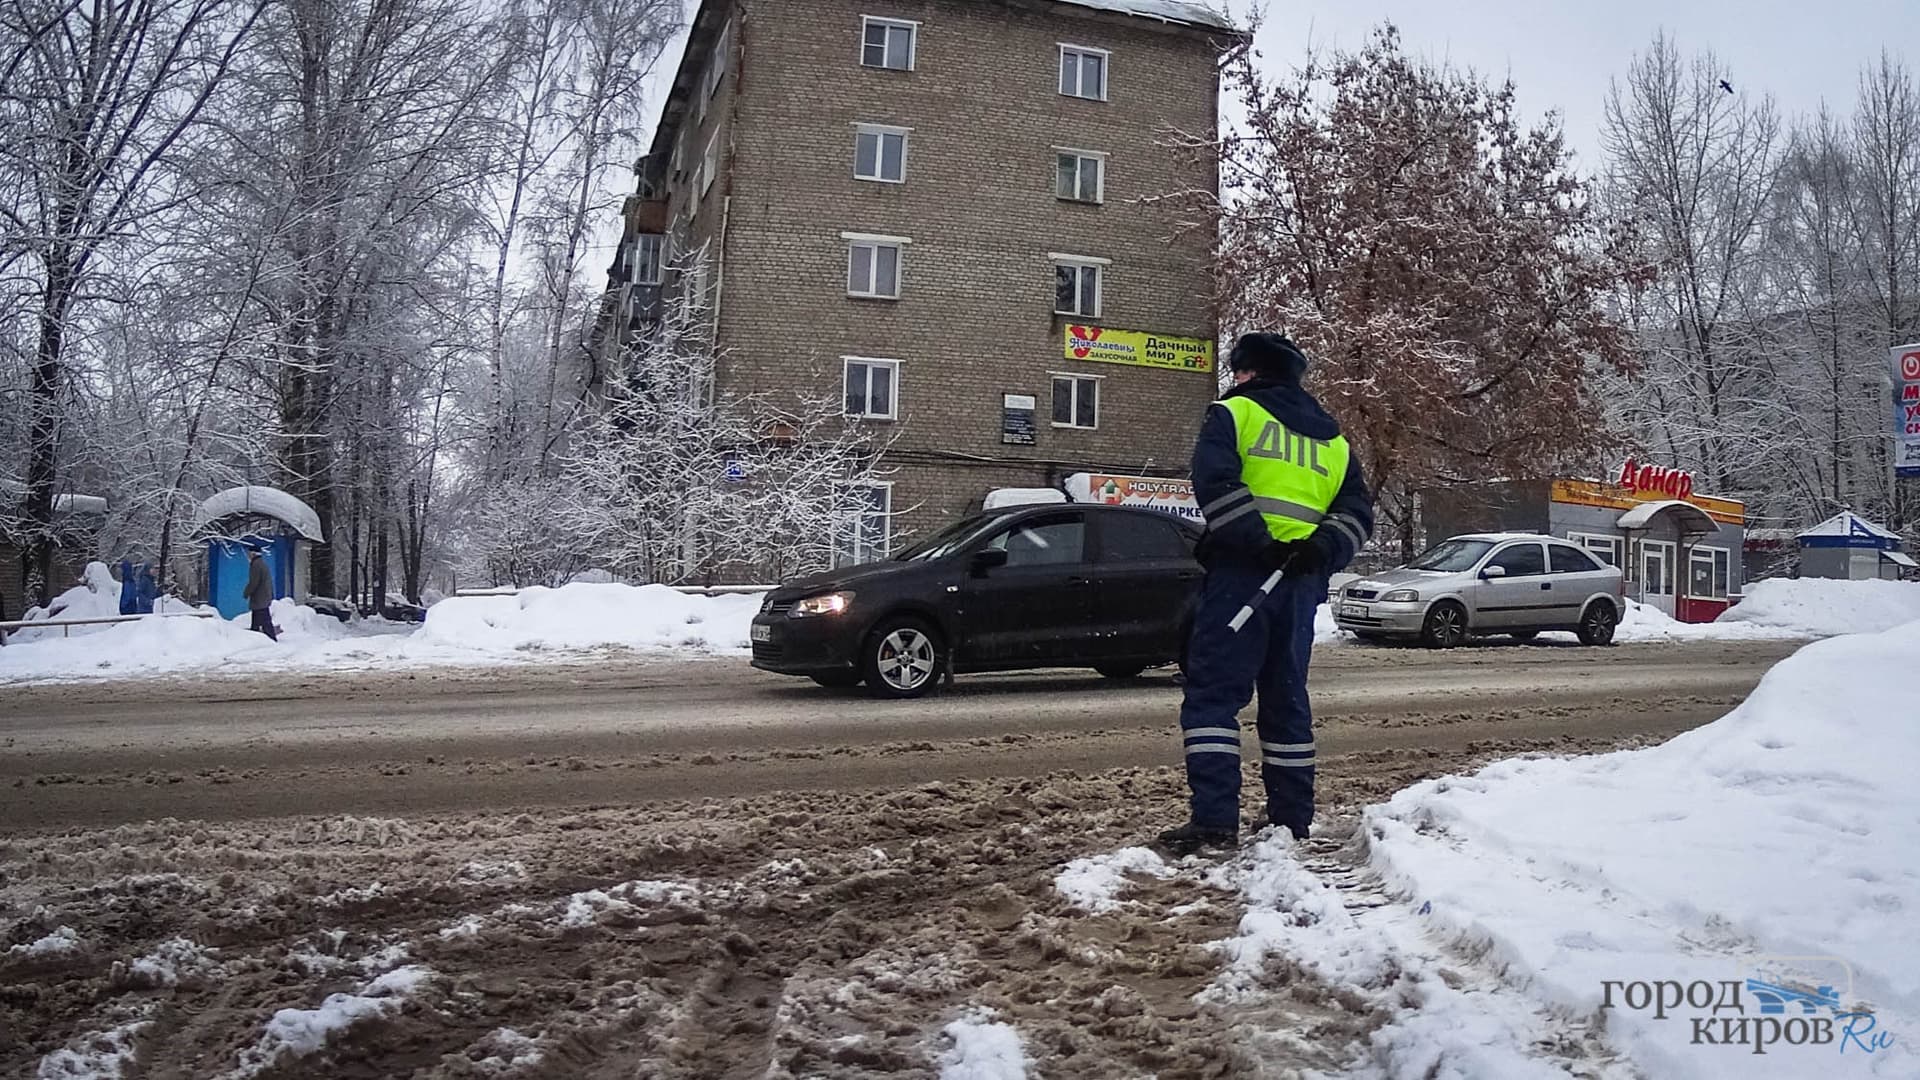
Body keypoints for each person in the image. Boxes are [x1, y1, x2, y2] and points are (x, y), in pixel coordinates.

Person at [1158, 333, 1374, 855]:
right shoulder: (1334, 442)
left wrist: (1259, 544)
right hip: (1299, 587)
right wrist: (1317, 551)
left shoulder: (1233, 414)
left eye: (1238, 371)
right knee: (1285, 701)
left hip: (1241, 576)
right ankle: (1291, 819)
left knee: (1213, 698)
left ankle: (1213, 822)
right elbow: (1355, 516)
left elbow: (1215, 484)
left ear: (1249, 372)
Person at [245, 547, 279, 641]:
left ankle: (270, 640)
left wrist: (247, 592)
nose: (248, 556)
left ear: (253, 554)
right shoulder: (262, 564)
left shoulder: (256, 565)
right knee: (257, 621)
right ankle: (255, 639)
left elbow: (254, 582)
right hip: (263, 598)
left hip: (260, 598)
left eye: (249, 553)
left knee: (264, 621)